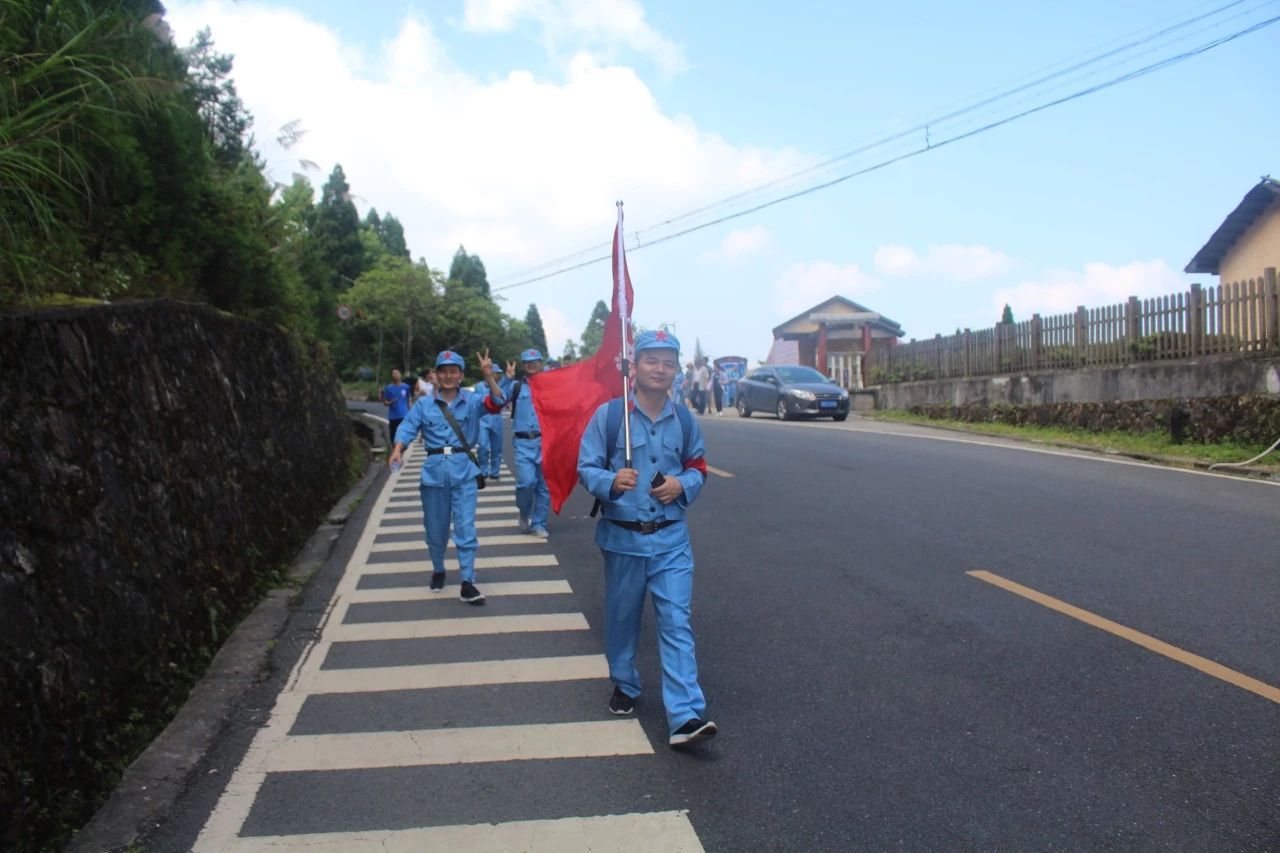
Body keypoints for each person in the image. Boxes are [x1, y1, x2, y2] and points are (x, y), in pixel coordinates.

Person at [577, 329, 717, 747]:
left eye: (668, 363)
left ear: (677, 371)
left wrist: (682, 484)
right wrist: (610, 481)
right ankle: (625, 683)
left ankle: (685, 714)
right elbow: (586, 467)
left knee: (676, 621)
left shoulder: (685, 419)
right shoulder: (609, 417)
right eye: (651, 360)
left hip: (671, 540)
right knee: (622, 620)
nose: (660, 369)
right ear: (633, 366)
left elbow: (698, 467)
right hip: (623, 539)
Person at [388, 349, 505, 604]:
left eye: (453, 371)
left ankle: (467, 581)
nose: (448, 376)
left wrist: (489, 377)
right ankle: (438, 568)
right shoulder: (424, 405)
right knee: (436, 528)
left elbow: (497, 403)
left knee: (465, 527)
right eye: (443, 371)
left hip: (464, 471)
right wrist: (397, 449)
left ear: (461, 375)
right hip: (434, 473)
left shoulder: (473, 401)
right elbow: (407, 427)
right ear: (436, 375)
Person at [498, 349, 551, 538]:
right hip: (523, 442)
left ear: (541, 363)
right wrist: (506, 379)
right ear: (523, 365)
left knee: (544, 486)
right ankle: (524, 511)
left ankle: (539, 523)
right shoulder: (516, 387)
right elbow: (497, 399)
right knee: (526, 482)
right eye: (527, 361)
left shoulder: (551, 386)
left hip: (546, 441)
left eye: (534, 361)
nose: (531, 364)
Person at [380, 369, 411, 445]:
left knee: (403, 437)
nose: (396, 374)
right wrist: (390, 402)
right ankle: (395, 450)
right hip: (393, 417)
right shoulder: (388, 388)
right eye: (393, 373)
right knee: (393, 438)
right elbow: (385, 403)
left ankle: (401, 450)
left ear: (400, 375)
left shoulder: (406, 387)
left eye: (397, 373)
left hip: (404, 415)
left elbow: (409, 400)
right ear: (392, 376)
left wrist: (410, 413)